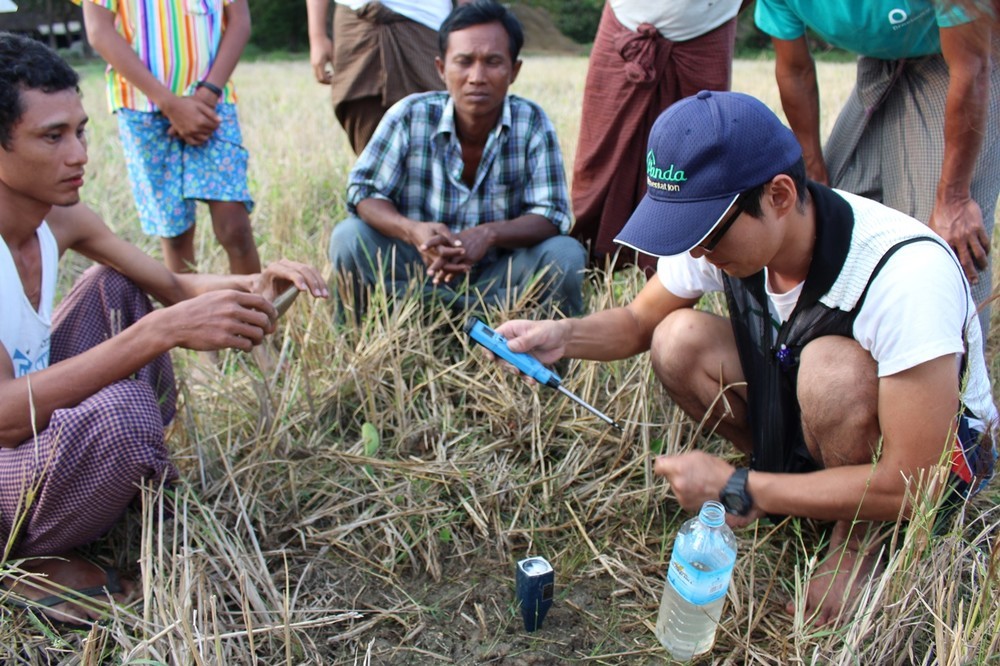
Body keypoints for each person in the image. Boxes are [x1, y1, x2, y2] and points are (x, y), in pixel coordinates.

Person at [494, 91, 997, 626]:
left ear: (779, 195)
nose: (693, 252)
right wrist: (561, 336)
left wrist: (740, 487)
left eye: (705, 234)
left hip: (933, 464)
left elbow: (916, 481)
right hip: (807, 410)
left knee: (831, 369)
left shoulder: (904, 275)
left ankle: (857, 537)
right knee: (676, 337)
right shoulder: (736, 236)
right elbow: (640, 323)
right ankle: (791, 486)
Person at [0, 33, 328, 626]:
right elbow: (2, 417)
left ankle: (105, 493)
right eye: (53, 136)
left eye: (80, 131)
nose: (79, 155)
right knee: (125, 408)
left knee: (117, 288)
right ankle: (25, 559)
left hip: (27, 444)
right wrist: (159, 333)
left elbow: (172, 287)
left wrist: (256, 282)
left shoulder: (62, 218)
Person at [329, 0, 586, 320]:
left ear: (514, 70)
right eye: (464, 62)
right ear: (440, 68)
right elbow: (363, 192)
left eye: (493, 62)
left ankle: (528, 344)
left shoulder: (531, 121)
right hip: (419, 270)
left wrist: (488, 234)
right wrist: (414, 232)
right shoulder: (410, 114)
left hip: (498, 277)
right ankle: (382, 329)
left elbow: (552, 215)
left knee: (566, 254)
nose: (477, 77)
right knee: (349, 238)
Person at [754, 0, 1000, 333]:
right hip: (880, 57)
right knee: (822, 213)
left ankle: (953, 372)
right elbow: (794, 70)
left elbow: (972, 70)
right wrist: (812, 169)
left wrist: (954, 197)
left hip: (964, 55)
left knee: (943, 245)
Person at [79, 0, 261, 275]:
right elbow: (98, 30)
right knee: (175, 235)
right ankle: (192, 317)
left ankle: (257, 316)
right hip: (143, 108)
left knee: (235, 228)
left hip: (212, 105)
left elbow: (239, 21)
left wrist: (208, 93)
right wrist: (170, 104)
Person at [570, 0, 745, 274]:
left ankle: (672, 270)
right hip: (626, 17)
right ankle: (591, 260)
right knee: (602, 155)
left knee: (694, 155)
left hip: (707, 24)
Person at [306, 0, 465, 155]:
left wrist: (468, 26)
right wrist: (317, 36)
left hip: (424, 19)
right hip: (356, 19)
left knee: (433, 118)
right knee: (362, 114)